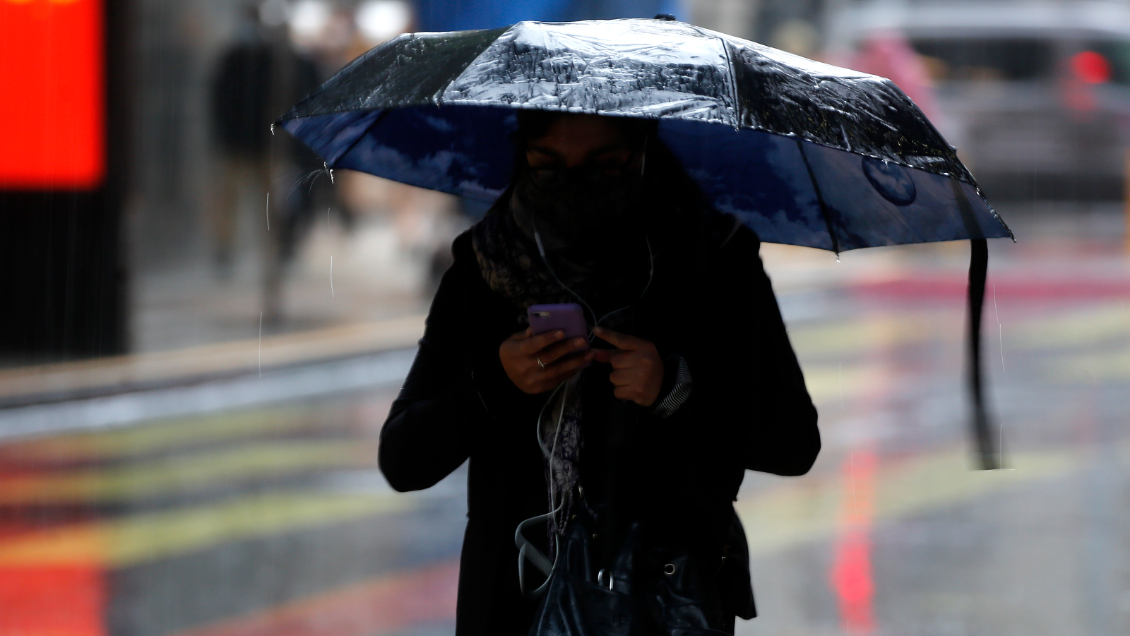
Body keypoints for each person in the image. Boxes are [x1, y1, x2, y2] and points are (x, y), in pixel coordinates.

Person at [378, 112, 820, 635]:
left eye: (604, 164)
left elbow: (793, 443)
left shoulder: (715, 260)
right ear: (523, 155)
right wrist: (496, 382)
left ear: (642, 154)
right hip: (518, 601)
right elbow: (404, 459)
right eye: (547, 163)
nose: (573, 184)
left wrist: (672, 391)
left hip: (668, 603)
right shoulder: (487, 265)